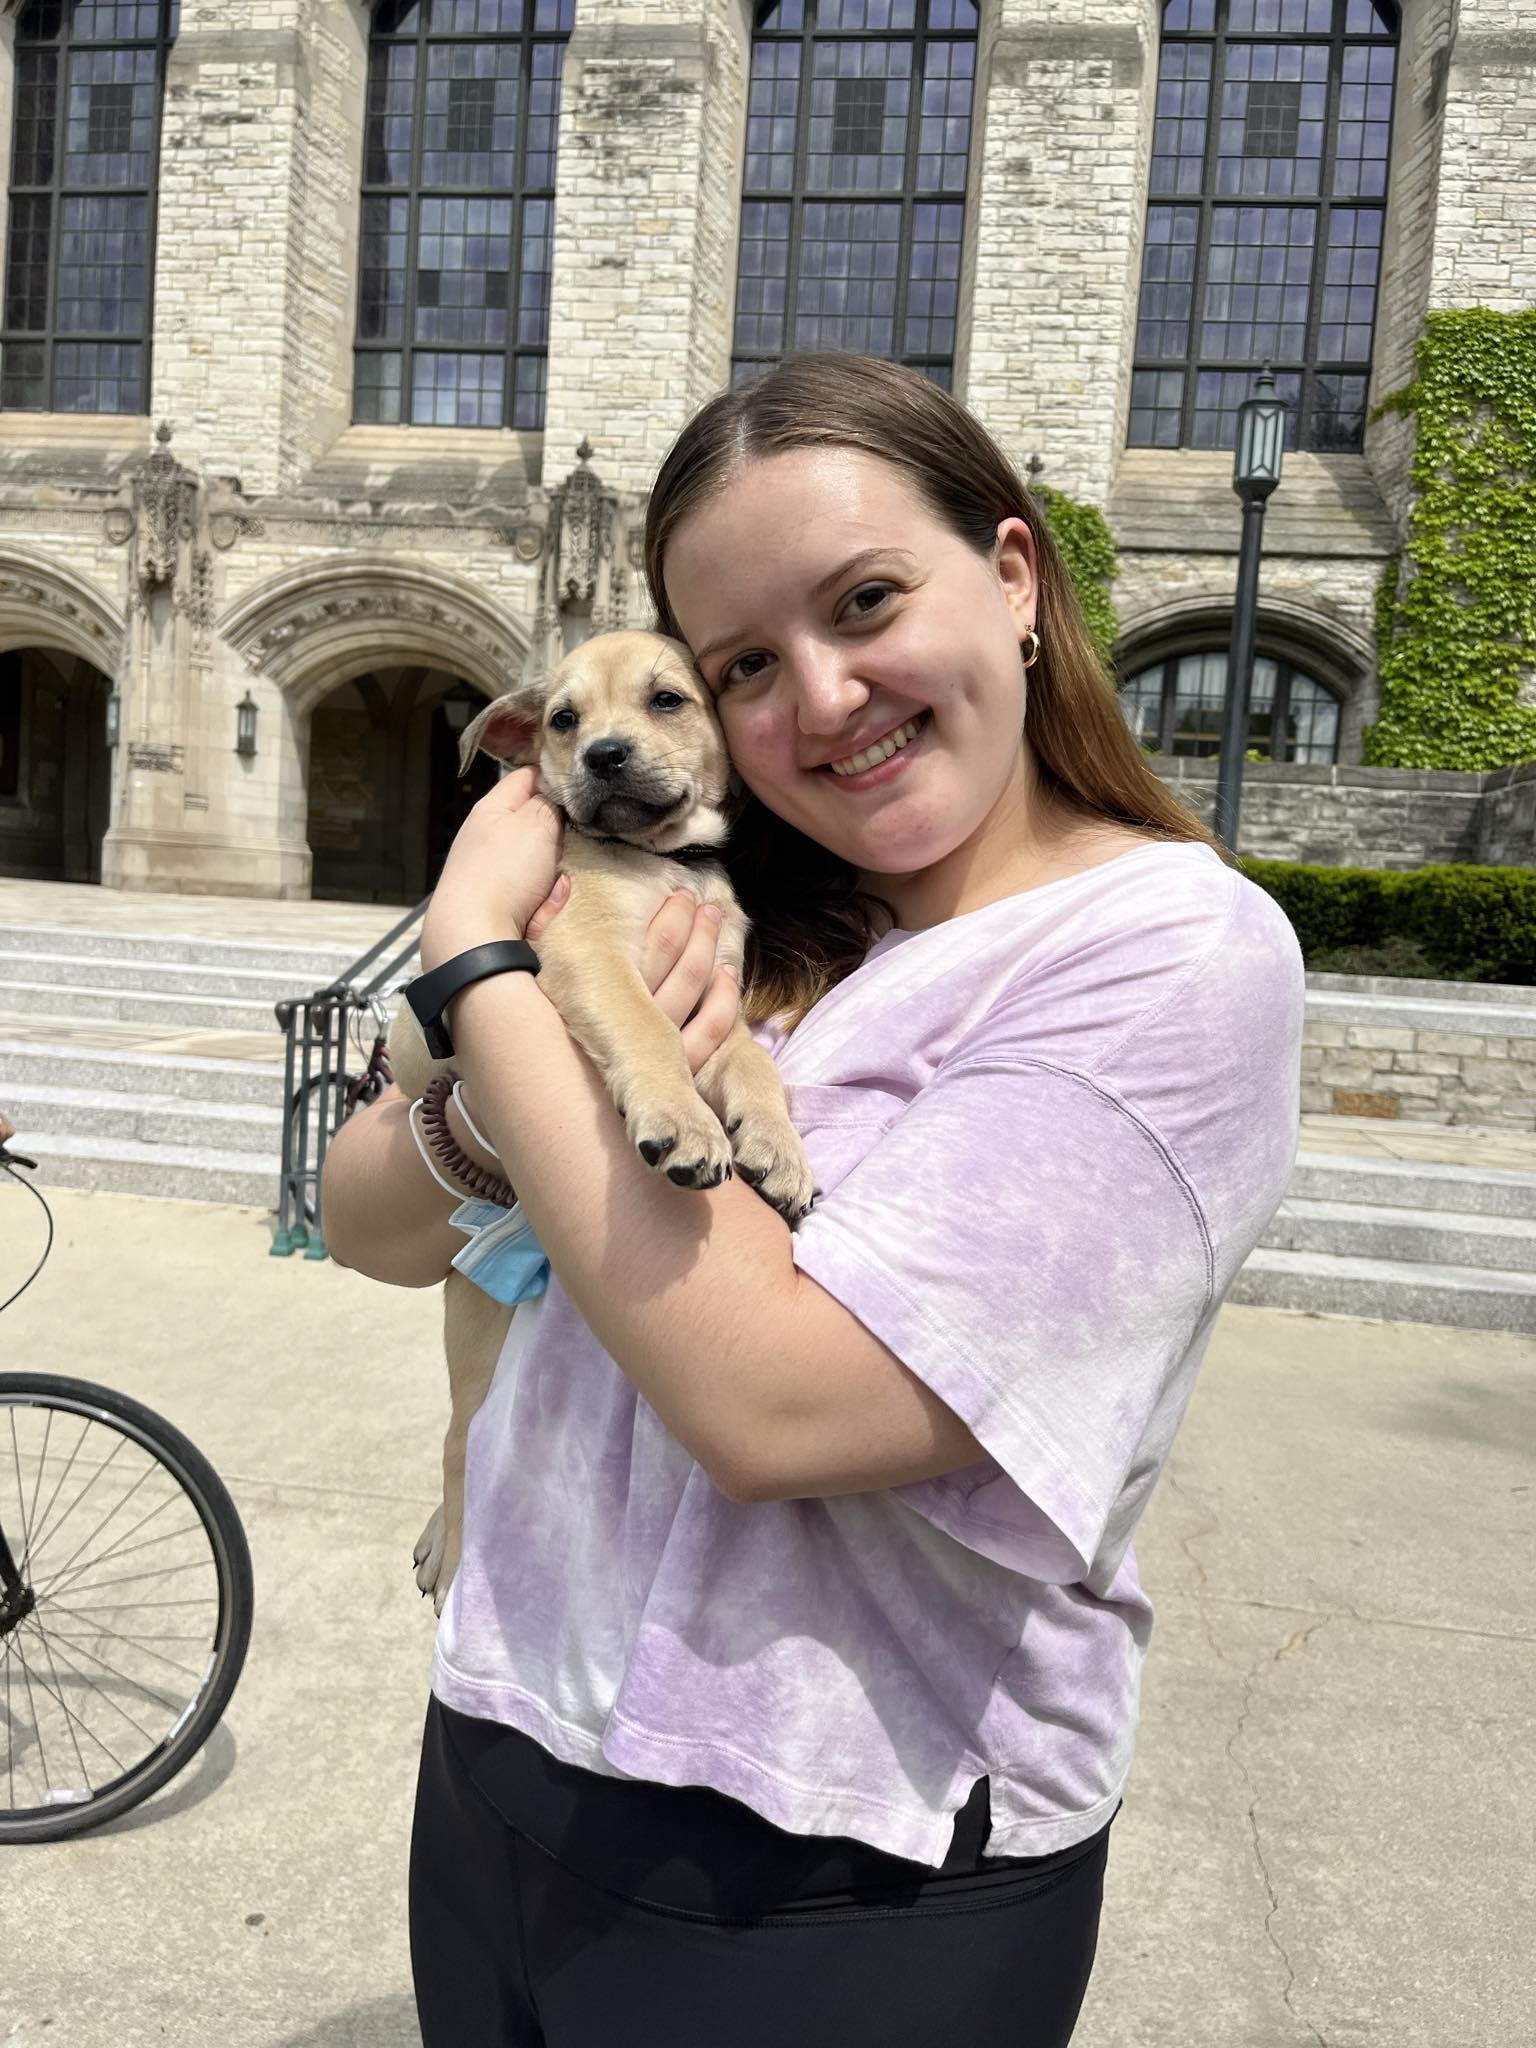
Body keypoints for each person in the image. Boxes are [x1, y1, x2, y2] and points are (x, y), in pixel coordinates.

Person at [322, 353, 1305, 2048]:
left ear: (1012, 578)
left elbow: (777, 1410)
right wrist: (493, 1095)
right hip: (509, 1738)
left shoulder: (1163, 957)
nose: (826, 697)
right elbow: (362, 1224)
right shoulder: (741, 905)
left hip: (841, 1849)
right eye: (749, 666)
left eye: (867, 601)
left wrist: (481, 956)